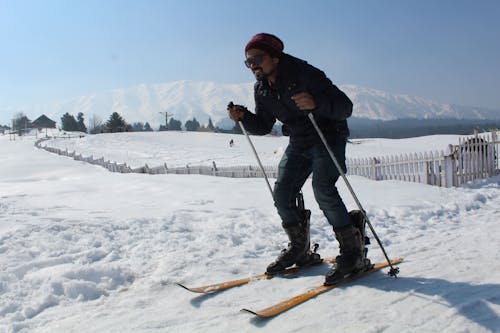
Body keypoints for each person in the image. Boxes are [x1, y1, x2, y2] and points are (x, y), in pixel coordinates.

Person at [227, 33, 369, 285]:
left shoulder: (305, 73)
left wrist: (316, 103)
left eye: (257, 59)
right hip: (299, 141)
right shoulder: (261, 88)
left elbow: (344, 106)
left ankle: (353, 252)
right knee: (281, 194)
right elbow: (262, 125)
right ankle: (300, 248)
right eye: (247, 62)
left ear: (275, 57)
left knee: (323, 189)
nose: (252, 66)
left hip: (327, 135)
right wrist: (244, 116)